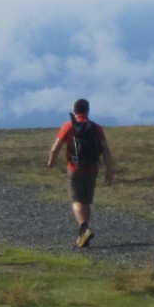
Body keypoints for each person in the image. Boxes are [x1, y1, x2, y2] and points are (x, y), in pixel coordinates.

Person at [47, 98, 114, 247]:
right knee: (86, 201)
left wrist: (52, 161)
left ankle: (84, 227)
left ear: (75, 110)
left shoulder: (68, 126)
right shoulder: (96, 128)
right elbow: (105, 150)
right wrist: (109, 171)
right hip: (93, 168)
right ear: (87, 111)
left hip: (74, 168)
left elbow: (55, 147)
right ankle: (83, 236)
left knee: (77, 200)